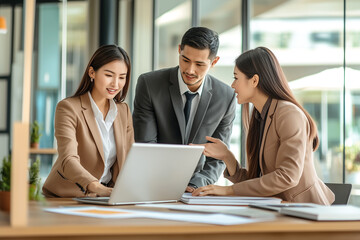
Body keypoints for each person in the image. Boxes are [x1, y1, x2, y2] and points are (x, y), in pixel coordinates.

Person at [192, 47, 335, 205]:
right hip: (278, 209)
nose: (232, 85)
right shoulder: (261, 116)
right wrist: (227, 156)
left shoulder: (288, 114)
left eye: (236, 78)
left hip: (306, 210)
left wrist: (227, 190)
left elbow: (288, 176)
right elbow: (258, 183)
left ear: (254, 80)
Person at [132, 27, 236, 192]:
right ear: (179, 50)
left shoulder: (226, 97)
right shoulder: (150, 84)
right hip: (152, 183)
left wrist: (195, 185)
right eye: (185, 60)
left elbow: (218, 157)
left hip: (195, 189)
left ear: (214, 62)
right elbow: (146, 146)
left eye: (199, 64)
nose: (190, 70)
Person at [42, 45, 134, 198]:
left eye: (122, 77)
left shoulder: (123, 111)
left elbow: (130, 159)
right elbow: (68, 159)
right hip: (68, 196)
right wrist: (96, 187)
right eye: (109, 75)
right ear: (92, 72)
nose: (115, 84)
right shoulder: (68, 108)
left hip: (106, 197)